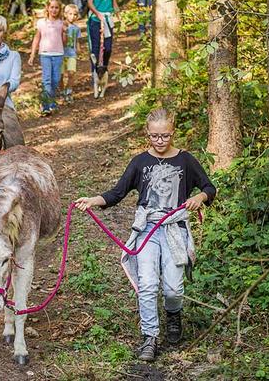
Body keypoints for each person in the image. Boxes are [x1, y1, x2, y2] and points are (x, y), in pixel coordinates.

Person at [74, 108, 217, 362]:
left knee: (173, 289)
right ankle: (149, 337)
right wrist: (93, 201)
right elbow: (117, 193)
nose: (159, 141)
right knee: (148, 284)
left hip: (175, 228)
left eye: (164, 136)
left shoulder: (185, 161)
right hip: (148, 230)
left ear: (172, 133)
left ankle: (173, 315)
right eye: (154, 136)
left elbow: (209, 187)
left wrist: (199, 196)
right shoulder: (140, 162)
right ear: (147, 134)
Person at [29, 0, 67, 116]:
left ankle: (51, 101)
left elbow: (65, 42)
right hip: (45, 54)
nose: (54, 10)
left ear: (59, 9)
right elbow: (37, 38)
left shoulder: (62, 23)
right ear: (47, 8)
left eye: (56, 7)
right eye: (52, 7)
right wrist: (32, 54)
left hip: (58, 54)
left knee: (55, 80)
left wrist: (65, 32)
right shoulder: (41, 23)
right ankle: (46, 106)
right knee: (47, 80)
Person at [86, 0, 118, 99]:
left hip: (108, 19)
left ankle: (103, 72)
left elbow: (114, 4)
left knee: (108, 48)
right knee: (95, 49)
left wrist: (119, 15)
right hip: (95, 19)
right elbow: (90, 3)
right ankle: (95, 77)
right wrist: (98, 13)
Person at [61, 4, 82, 103]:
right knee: (60, 75)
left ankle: (68, 91)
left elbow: (77, 40)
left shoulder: (76, 28)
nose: (72, 16)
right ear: (65, 14)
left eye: (75, 14)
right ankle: (61, 91)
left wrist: (78, 48)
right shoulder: (61, 25)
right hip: (61, 54)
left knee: (71, 73)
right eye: (70, 14)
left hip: (72, 54)